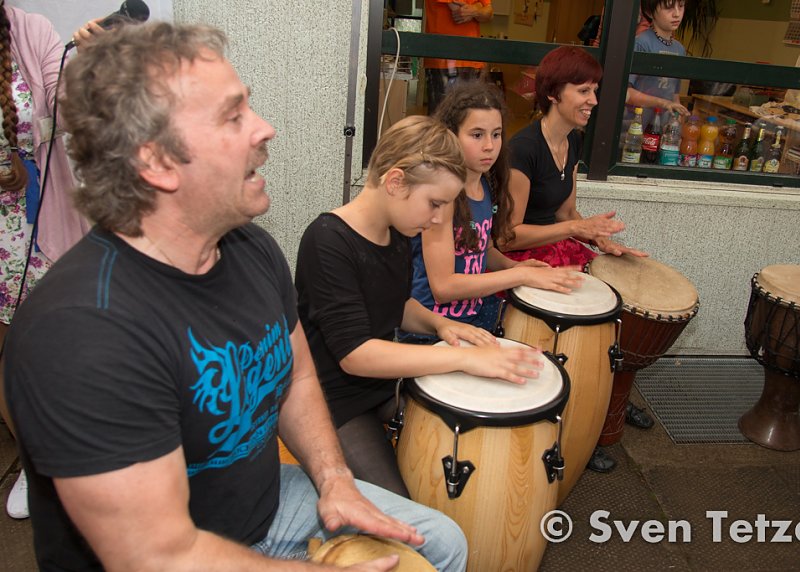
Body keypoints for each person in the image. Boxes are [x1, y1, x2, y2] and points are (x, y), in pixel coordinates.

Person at [4, 22, 467, 571]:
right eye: (233, 116)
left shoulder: (252, 248)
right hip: (178, 552)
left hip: (268, 506)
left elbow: (296, 376)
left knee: (444, 543)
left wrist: (335, 479)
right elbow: (157, 556)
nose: (265, 129)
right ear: (155, 161)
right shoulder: (81, 334)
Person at [296, 114, 545, 499]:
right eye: (435, 204)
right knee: (401, 513)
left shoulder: (397, 231)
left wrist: (439, 326)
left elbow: (396, 304)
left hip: (382, 385)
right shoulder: (327, 241)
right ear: (396, 182)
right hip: (333, 401)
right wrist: (461, 359)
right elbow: (356, 355)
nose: (436, 219)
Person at [501, 45, 648, 473]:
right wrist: (575, 231)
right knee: (582, 334)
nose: (593, 101)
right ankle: (572, 428)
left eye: (595, 90)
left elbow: (566, 212)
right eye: (583, 90)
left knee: (612, 313)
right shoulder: (523, 149)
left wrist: (599, 237)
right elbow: (508, 237)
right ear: (553, 93)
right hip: (526, 258)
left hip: (557, 246)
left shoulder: (573, 139)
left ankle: (607, 407)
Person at [0, 1, 91, 521]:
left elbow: (69, 110)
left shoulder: (29, 30)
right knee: (7, 356)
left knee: (55, 347)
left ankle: (67, 462)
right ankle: (32, 467)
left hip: (36, 228)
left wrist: (87, 67)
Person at [411, 80, 580, 333]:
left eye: (497, 134)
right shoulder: (441, 197)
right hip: (432, 328)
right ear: (451, 135)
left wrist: (516, 266)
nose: (490, 145)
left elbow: (483, 249)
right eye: (477, 135)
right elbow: (443, 287)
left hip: (473, 315)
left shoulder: (485, 185)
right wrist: (519, 276)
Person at [625, 0, 691, 130]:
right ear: (650, 12)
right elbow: (626, 93)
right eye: (669, 8)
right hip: (635, 127)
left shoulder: (680, 49)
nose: (677, 14)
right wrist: (663, 103)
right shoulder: (641, 43)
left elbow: (674, 94)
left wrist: (678, 118)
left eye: (681, 6)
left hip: (663, 128)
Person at [423, 0, 493, 114]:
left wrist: (475, 10)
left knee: (471, 116)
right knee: (443, 119)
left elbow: (489, 13)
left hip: (472, 59)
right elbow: (459, 12)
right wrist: (478, 7)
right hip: (443, 59)